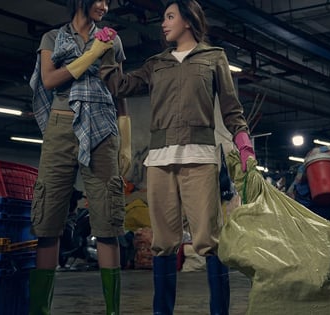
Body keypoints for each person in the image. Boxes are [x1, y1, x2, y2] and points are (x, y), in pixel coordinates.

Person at [100, 1, 255, 314]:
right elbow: (118, 85)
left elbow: (230, 108)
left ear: (188, 19)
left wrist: (245, 146)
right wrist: (107, 52)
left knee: (208, 241)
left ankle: (219, 311)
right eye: (163, 18)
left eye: (170, 17)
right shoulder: (156, 63)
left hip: (200, 159)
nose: (163, 23)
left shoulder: (214, 58)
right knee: (164, 243)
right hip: (159, 162)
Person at [28, 1, 130, 314]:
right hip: (60, 125)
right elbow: (48, 80)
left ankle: (113, 310)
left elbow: (119, 89)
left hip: (102, 125)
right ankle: (40, 310)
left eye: (108, 1)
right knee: (48, 219)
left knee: (107, 219)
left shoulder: (112, 39)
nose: (104, 5)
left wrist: (126, 139)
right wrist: (90, 56)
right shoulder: (53, 38)